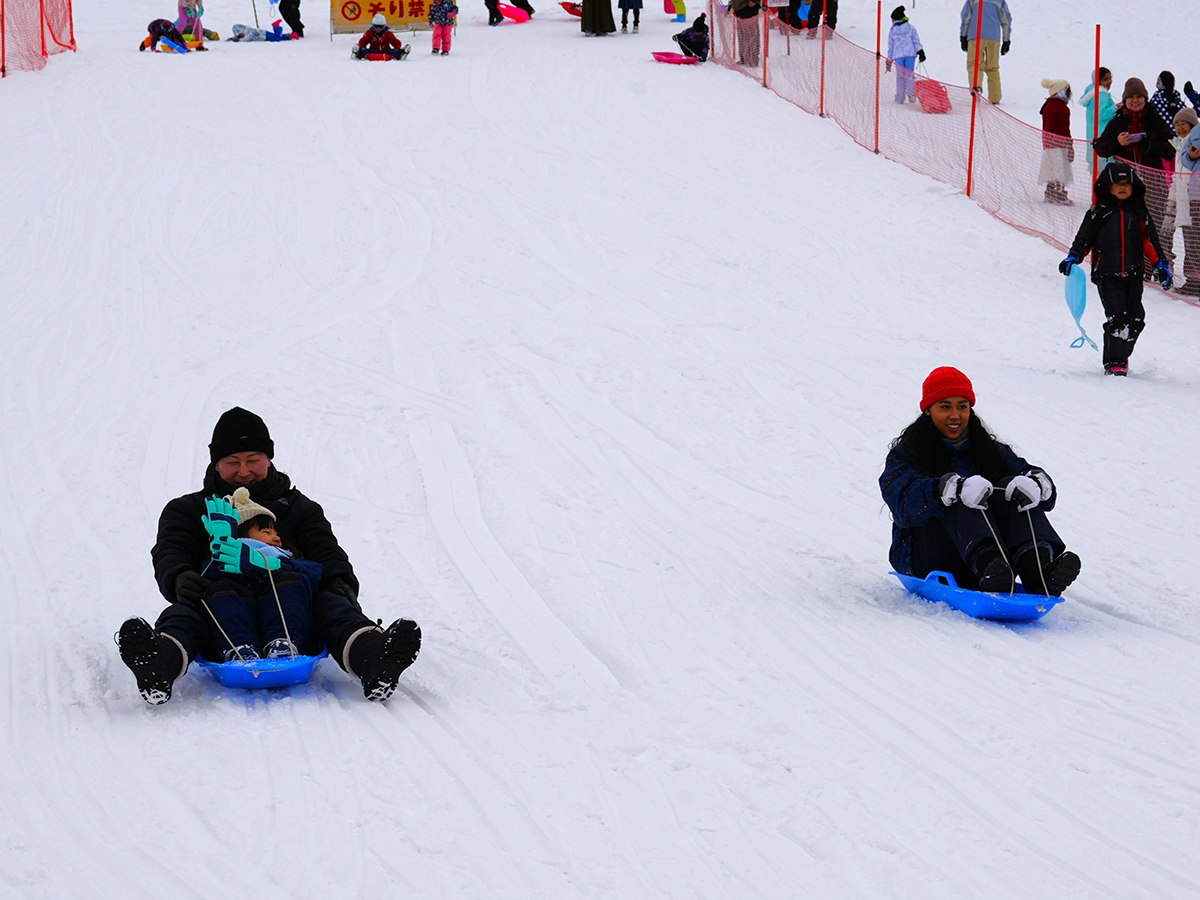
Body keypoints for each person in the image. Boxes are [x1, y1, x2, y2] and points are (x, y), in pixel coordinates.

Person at [116, 407, 422, 705]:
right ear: (216, 464)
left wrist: (339, 583)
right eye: (232, 462)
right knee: (183, 616)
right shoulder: (189, 510)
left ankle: (375, 660)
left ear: (268, 459)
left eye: (253, 460)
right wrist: (180, 578)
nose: (244, 471)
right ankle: (158, 664)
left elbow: (326, 551)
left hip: (294, 611)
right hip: (220, 611)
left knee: (333, 607)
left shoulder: (297, 508)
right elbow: (171, 550)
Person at [880, 367, 1081, 597]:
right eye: (945, 407)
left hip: (993, 561)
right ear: (928, 410)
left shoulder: (989, 450)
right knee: (955, 495)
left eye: (962, 407)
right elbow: (901, 502)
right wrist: (947, 489)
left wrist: (1037, 483)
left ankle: (1037, 573)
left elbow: (1029, 475)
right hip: (925, 555)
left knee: (1012, 487)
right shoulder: (907, 453)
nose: (955, 415)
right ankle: (990, 567)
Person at [1059, 162, 1172, 376]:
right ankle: (1115, 362)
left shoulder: (1139, 214)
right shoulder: (1097, 213)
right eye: (1117, 184)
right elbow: (1084, 239)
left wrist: (1161, 265)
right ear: (1107, 187)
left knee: (1136, 317)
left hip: (1134, 273)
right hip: (1107, 274)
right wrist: (1073, 258)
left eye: (1126, 184)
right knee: (1117, 317)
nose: (1122, 187)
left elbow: (1151, 243)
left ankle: (1121, 349)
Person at [201, 488, 323, 662]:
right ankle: (240, 648)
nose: (276, 538)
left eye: (276, 533)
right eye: (267, 532)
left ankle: (282, 643)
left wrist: (272, 565)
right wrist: (222, 545)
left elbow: (314, 573)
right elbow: (206, 580)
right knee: (221, 589)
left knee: (291, 580)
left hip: (289, 631)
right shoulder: (222, 562)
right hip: (239, 631)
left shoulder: (285, 557)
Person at [1094, 78, 1175, 266]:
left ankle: (1156, 265)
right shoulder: (1118, 121)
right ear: (1125, 99)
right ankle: (1132, 262)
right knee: (1127, 224)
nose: (1136, 100)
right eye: (1131, 97)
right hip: (1124, 185)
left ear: (1146, 99)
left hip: (1154, 183)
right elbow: (1100, 147)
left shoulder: (1155, 119)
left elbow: (1170, 149)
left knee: (1154, 225)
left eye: (1140, 97)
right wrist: (1118, 143)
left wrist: (1150, 147)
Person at [1170, 108, 1200, 296]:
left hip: (1195, 201)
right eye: (1177, 125)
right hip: (1185, 203)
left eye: (1184, 124)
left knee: (1195, 242)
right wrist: (1171, 201)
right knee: (1190, 242)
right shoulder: (1180, 146)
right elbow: (1176, 177)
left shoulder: (1195, 145)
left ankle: (1196, 281)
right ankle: (1192, 280)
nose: (1180, 128)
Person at [959, 0, 1012, 105]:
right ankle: (995, 96)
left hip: (975, 35)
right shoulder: (1000, 1)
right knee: (993, 67)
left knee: (974, 65)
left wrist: (963, 36)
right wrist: (1006, 40)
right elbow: (1006, 20)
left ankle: (976, 87)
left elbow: (966, 18)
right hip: (994, 37)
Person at [1038, 78, 1074, 205]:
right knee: (1060, 169)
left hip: (1048, 144)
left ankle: (1050, 192)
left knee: (1052, 168)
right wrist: (1069, 146)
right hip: (1059, 145)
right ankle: (1058, 194)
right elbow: (1065, 130)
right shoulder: (1062, 108)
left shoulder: (1047, 106)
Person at [885, 6, 925, 105]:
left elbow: (891, 47)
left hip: (898, 56)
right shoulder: (911, 28)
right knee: (909, 75)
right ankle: (912, 95)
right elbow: (916, 41)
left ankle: (900, 97)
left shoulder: (893, 31)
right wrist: (920, 51)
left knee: (900, 76)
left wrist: (889, 60)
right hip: (910, 54)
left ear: (894, 19)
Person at [1079, 67, 1116, 169]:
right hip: (1102, 141)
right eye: (1105, 79)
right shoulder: (1101, 96)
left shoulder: (1093, 94)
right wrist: (1117, 107)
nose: (1109, 82)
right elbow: (1102, 114)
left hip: (1095, 141)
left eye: (1110, 78)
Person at [728, 0, 761, 66]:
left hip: (749, 9)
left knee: (751, 36)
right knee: (742, 36)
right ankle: (744, 58)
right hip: (739, 10)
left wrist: (754, 1)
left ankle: (753, 60)